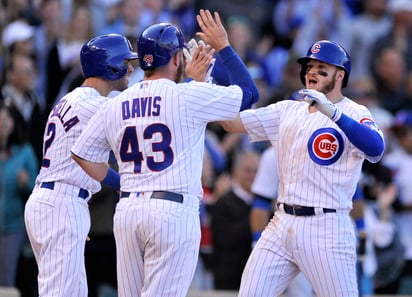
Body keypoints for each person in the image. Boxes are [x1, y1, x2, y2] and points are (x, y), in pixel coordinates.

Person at [71, 9, 259, 297]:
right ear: (175, 58)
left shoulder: (117, 102)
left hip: (128, 210)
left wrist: (123, 182)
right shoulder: (187, 96)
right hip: (172, 211)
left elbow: (82, 154)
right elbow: (248, 93)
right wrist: (224, 46)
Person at [220, 39, 385, 297]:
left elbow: (376, 149)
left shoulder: (354, 111)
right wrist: (204, 81)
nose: (311, 72)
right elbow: (231, 123)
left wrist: (333, 114)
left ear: (340, 75)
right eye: (309, 66)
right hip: (281, 222)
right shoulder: (287, 110)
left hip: (327, 226)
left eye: (322, 68)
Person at [23, 33, 139, 297]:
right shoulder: (96, 105)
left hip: (55, 200)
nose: (131, 68)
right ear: (110, 65)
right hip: (62, 201)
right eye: (126, 61)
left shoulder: (71, 99)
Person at [0, 101, 38, 287]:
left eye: (7, 119)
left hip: (13, 226)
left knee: (7, 280)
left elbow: (37, 191)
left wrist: (26, 183)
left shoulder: (25, 152)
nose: (3, 123)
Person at [210, 150, 260, 290]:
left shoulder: (268, 204)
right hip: (229, 281)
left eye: (256, 171)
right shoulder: (223, 203)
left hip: (258, 281)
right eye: (247, 171)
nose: (252, 176)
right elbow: (223, 239)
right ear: (236, 171)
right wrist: (256, 215)